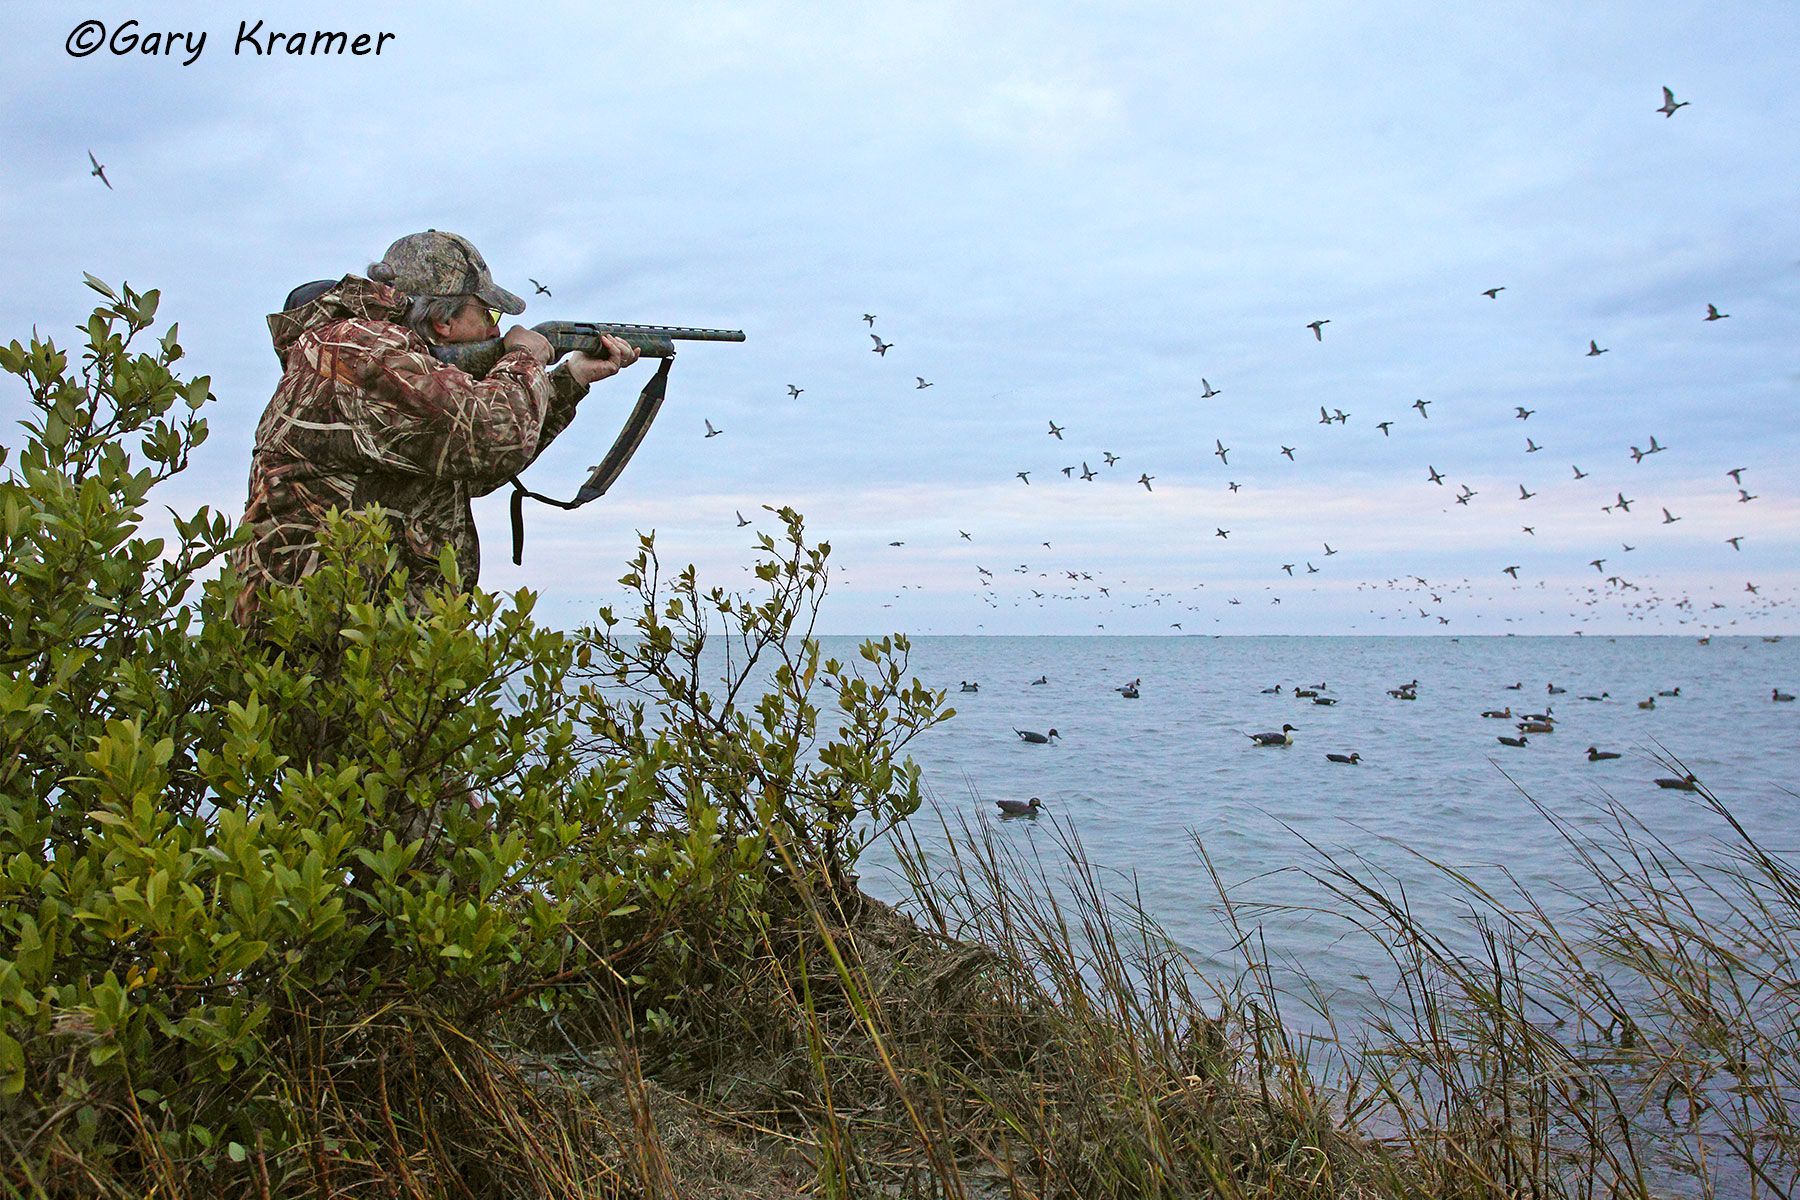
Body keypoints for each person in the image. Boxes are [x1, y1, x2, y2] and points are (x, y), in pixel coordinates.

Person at [231, 229, 639, 624]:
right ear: (444, 322)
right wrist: (526, 357)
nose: (496, 329)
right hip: (328, 649)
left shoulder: (369, 350)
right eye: (488, 313)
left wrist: (571, 380)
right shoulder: (362, 351)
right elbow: (494, 436)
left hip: (365, 639)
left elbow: (468, 466)